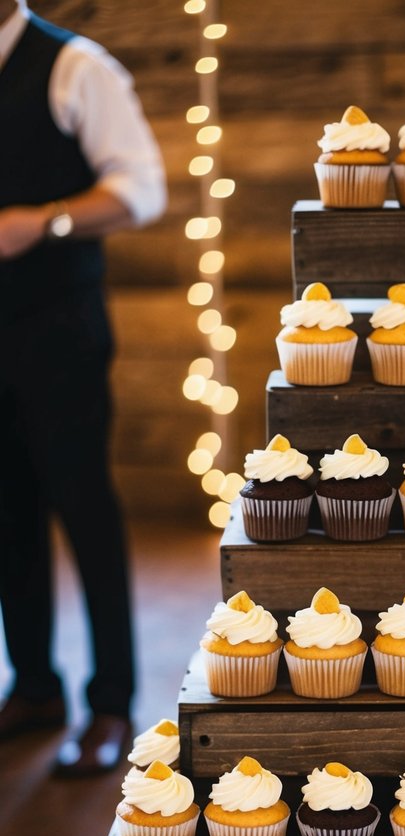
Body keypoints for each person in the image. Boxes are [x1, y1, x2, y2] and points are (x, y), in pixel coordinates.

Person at [0, 0, 166, 773]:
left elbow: (142, 191)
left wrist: (47, 220)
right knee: (6, 510)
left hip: (57, 327)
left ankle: (110, 706)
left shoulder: (74, 66)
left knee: (82, 504)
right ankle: (34, 686)